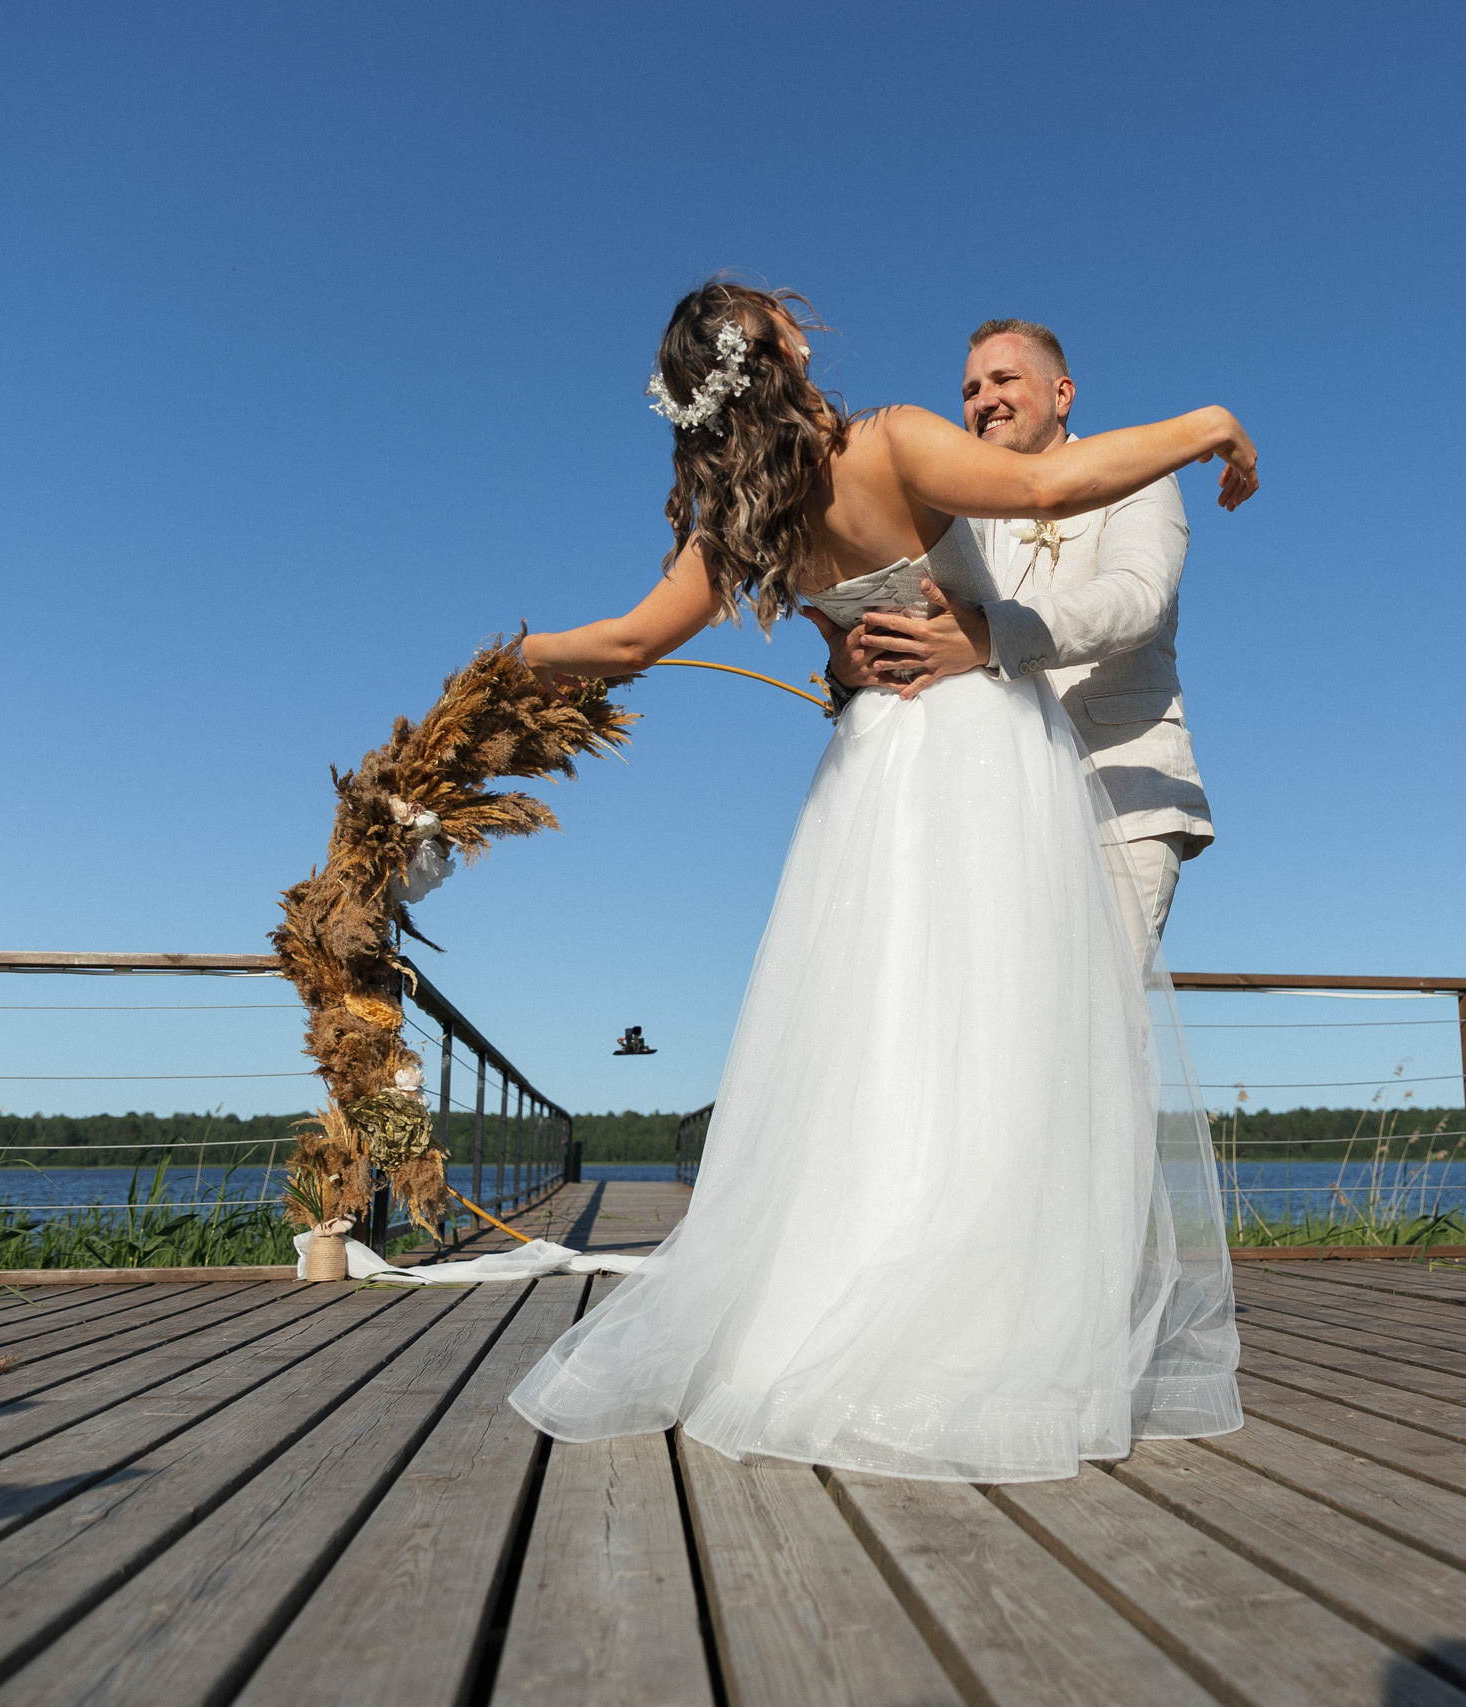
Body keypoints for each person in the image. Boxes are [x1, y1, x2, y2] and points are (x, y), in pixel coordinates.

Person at [506, 281, 1255, 1481]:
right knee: (992, 1044)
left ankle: (849, 1302)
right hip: (973, 756)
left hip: (866, 782)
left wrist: (503, 663)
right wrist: (1211, 417)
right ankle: (990, 1326)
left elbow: (634, 642)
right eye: (787, 316)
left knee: (889, 1031)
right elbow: (1052, 489)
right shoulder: (898, 437)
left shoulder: (752, 521)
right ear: (781, 348)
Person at [824, 319, 1212, 939]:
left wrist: (989, 637)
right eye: (971, 389)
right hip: (987, 805)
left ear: (1063, 395)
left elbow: (1137, 599)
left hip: (1117, 796)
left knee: (1092, 1026)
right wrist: (850, 669)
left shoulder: (1137, 478)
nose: (984, 400)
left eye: (1005, 378)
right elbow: (916, 628)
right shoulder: (948, 507)